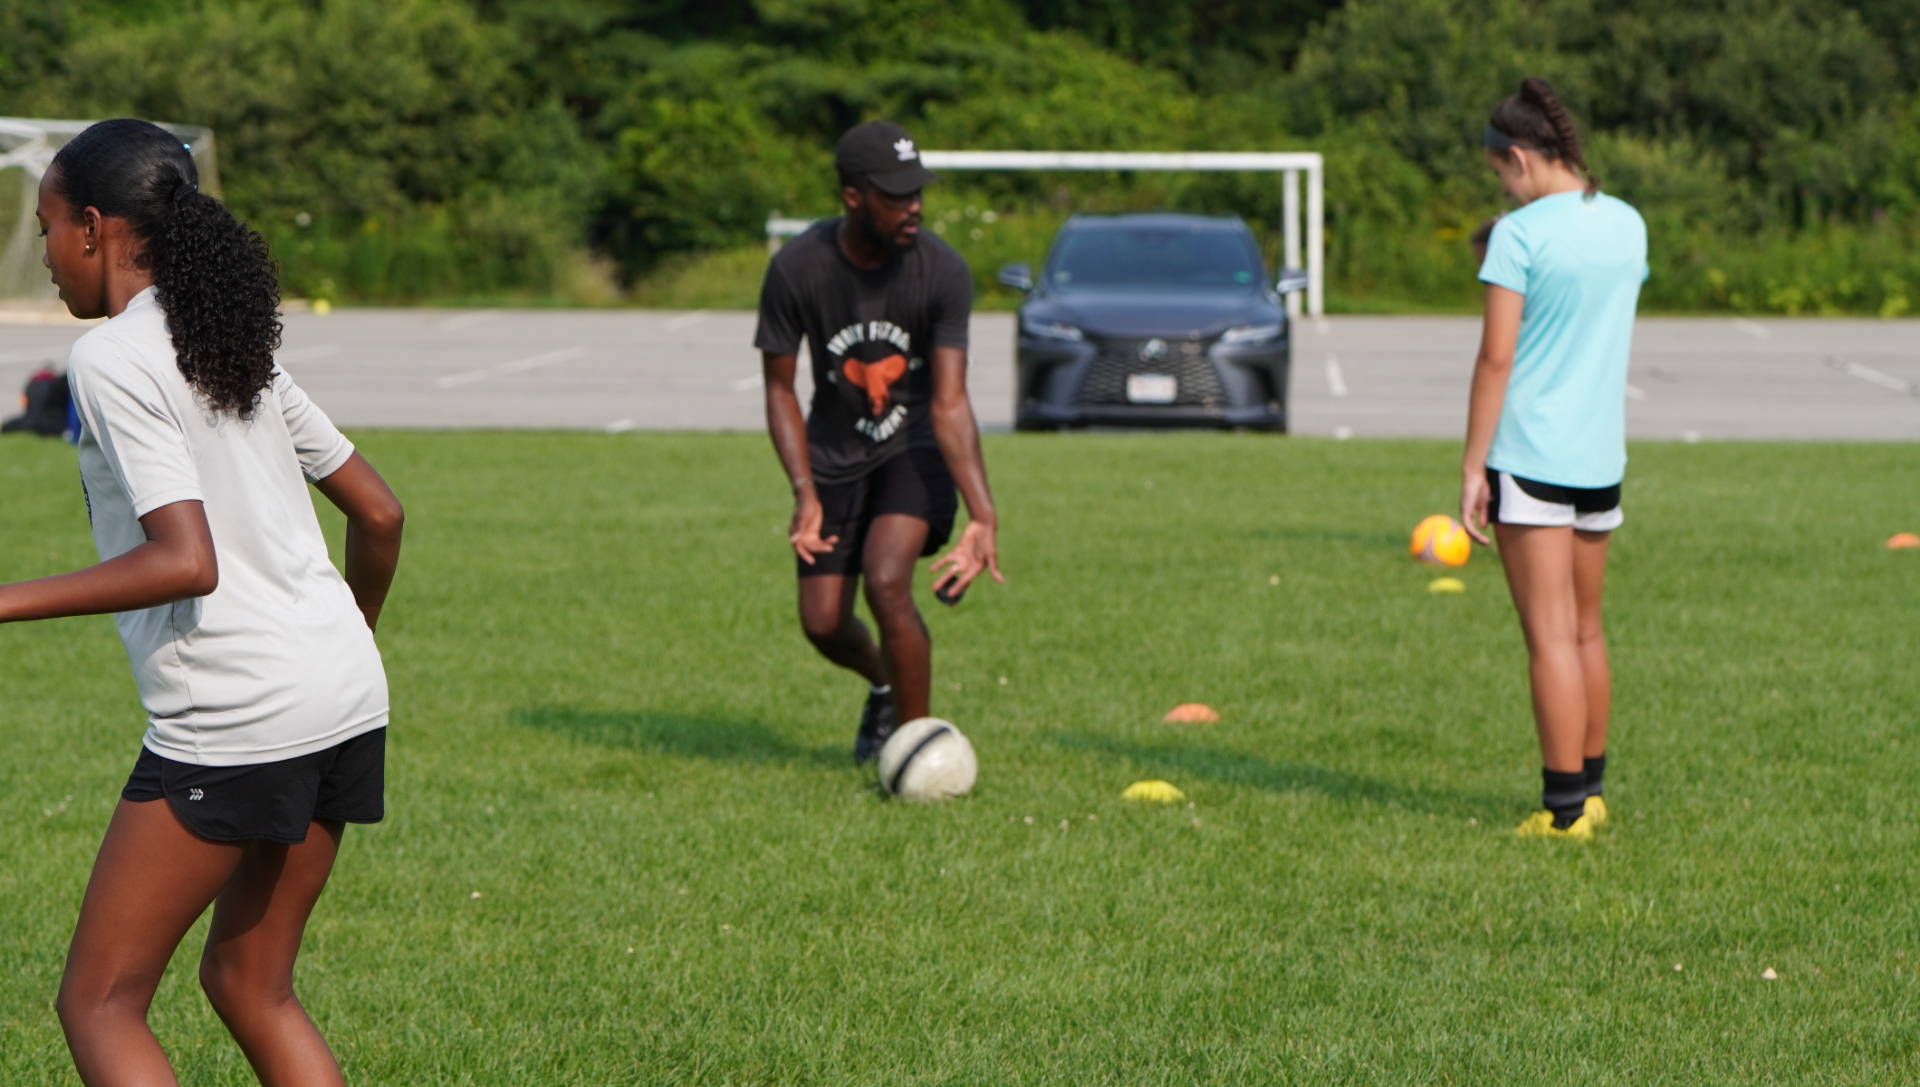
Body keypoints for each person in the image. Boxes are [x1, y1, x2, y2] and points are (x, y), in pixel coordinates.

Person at [21, 119, 403, 1085]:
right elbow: (382, 512)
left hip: (238, 715)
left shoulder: (111, 358)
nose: (48, 253)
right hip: (347, 695)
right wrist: (345, 631)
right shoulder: (230, 340)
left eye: (48, 229)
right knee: (250, 981)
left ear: (98, 230)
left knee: (100, 1002)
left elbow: (184, 561)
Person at [754, 120, 1002, 762]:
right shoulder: (797, 269)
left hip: (911, 449)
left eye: (917, 190)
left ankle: (916, 749)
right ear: (853, 196)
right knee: (823, 623)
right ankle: (886, 685)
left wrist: (983, 511)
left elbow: (948, 402)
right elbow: (779, 389)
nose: (914, 204)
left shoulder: (942, 271)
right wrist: (803, 491)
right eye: (896, 193)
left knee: (887, 580)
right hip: (832, 457)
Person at [1457, 79, 1648, 841]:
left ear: (1522, 157)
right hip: (1601, 458)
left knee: (1549, 636)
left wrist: (1473, 468)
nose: (1504, 190)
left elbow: (1495, 359)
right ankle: (1592, 792)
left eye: (1501, 174)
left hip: (1531, 453)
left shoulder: (1520, 234)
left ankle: (1562, 810)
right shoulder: (1629, 224)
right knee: (1588, 630)